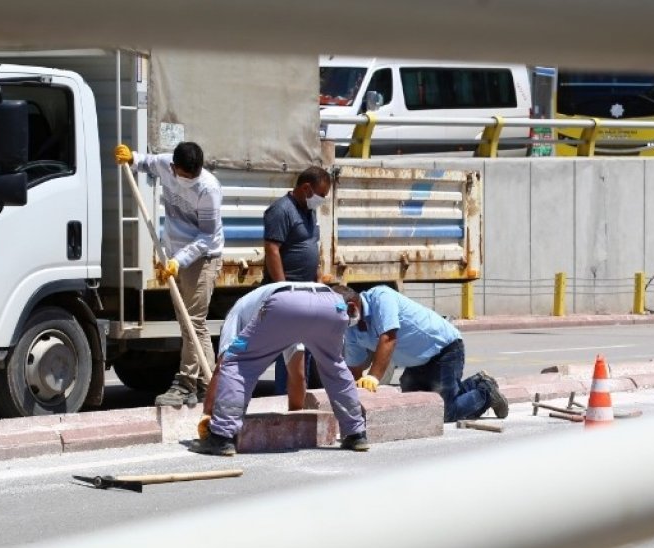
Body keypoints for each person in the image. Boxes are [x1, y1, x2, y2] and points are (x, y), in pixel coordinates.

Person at [193, 282, 369, 456]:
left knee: (237, 362)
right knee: (335, 368)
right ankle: (356, 434)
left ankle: (222, 437)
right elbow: (297, 371)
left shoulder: (237, 312)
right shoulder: (320, 299)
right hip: (332, 308)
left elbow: (224, 363)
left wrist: (208, 413)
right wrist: (296, 415)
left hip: (284, 304)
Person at [115, 141, 223, 408]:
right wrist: (131, 158)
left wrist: (179, 260)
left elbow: (208, 237)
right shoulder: (165, 164)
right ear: (174, 168)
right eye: (186, 176)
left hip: (202, 257)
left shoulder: (208, 187)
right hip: (175, 255)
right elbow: (146, 162)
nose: (190, 180)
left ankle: (186, 384)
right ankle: (208, 385)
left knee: (193, 322)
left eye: (194, 175)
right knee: (191, 325)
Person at [343, 286, 508, 422]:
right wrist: (357, 402)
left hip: (444, 349)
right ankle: (476, 382)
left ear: (351, 307)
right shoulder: (351, 329)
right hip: (417, 361)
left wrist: (372, 378)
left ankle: (485, 391)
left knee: (443, 413)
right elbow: (354, 369)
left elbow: (388, 339)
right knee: (417, 407)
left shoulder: (381, 298)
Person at [263, 166, 335, 406]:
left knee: (301, 352)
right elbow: (272, 249)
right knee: (289, 353)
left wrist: (316, 282)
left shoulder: (308, 211)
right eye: (320, 195)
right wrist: (282, 288)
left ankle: (294, 401)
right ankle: (284, 400)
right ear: (306, 188)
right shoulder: (281, 210)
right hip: (288, 295)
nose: (322, 201)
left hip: (306, 294)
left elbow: (311, 246)